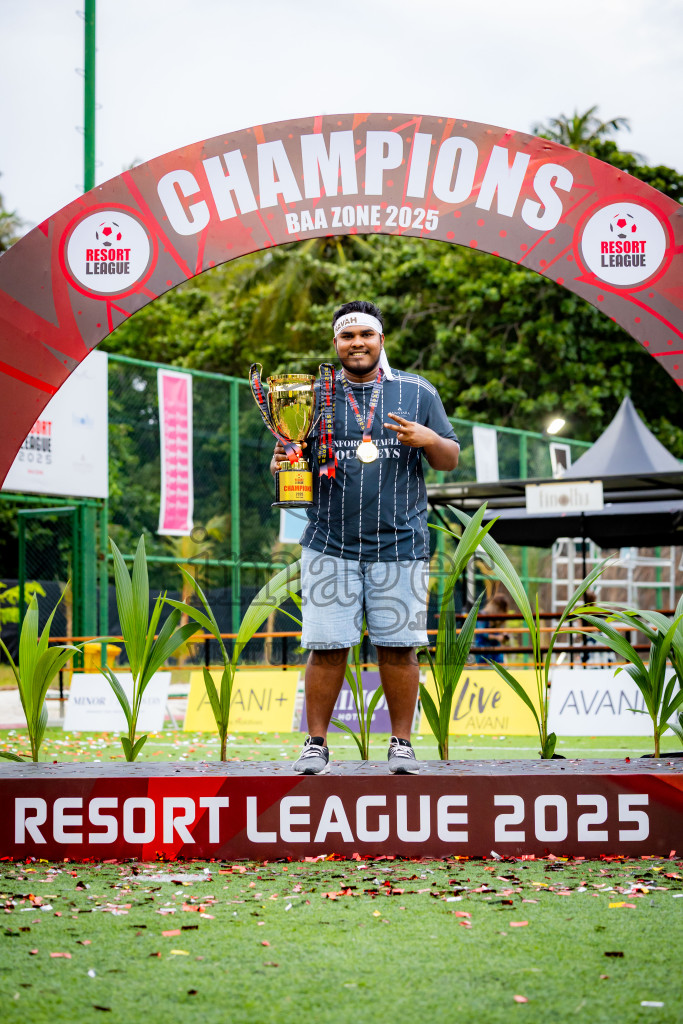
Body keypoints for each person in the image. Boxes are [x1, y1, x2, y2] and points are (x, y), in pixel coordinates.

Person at [270, 301, 460, 774]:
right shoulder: (312, 395)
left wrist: (428, 440)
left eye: (366, 335)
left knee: (399, 645)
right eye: (347, 336)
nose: (357, 343)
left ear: (381, 340)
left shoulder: (416, 392)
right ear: (335, 344)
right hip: (330, 544)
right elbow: (293, 459)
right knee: (327, 645)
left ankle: (401, 745)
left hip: (400, 544)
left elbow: (451, 458)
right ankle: (316, 744)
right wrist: (284, 464)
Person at [473, 594, 510, 664]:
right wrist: (497, 637)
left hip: (496, 652)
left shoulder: (499, 617)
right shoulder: (482, 615)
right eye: (500, 610)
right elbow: (481, 632)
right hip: (483, 650)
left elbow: (501, 630)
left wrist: (504, 636)